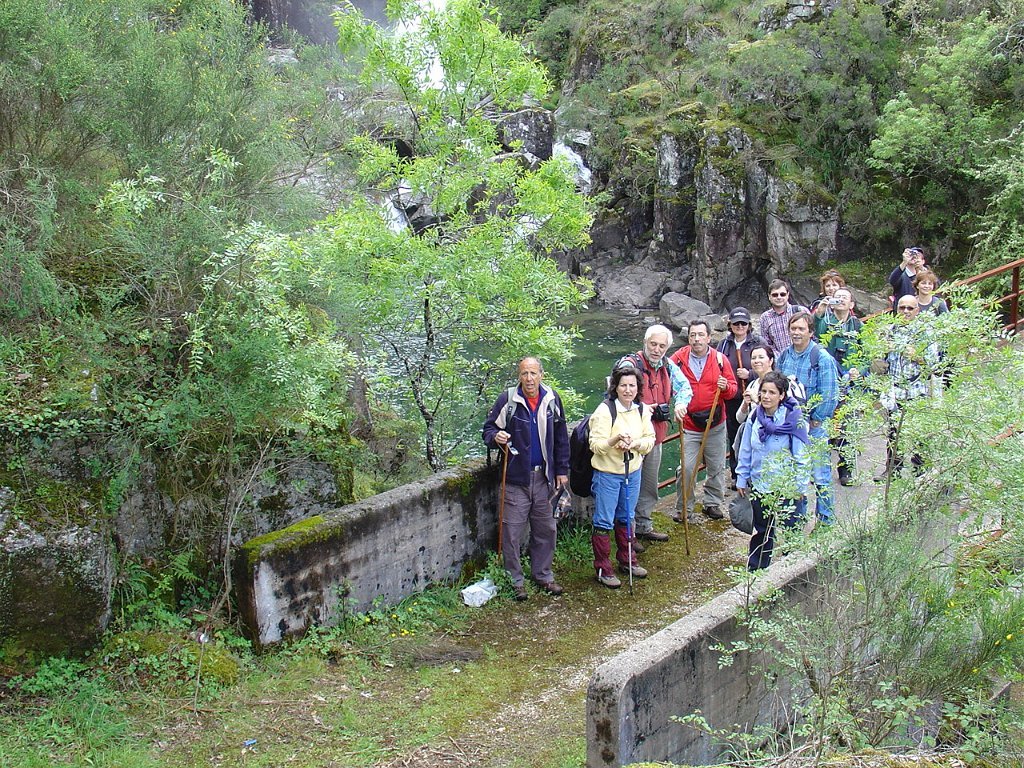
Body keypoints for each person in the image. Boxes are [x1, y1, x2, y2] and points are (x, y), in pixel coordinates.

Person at [482, 357, 570, 601]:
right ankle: (515, 580)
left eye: (533, 373)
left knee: (546, 528)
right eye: (524, 374)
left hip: (544, 477)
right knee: (511, 531)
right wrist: (496, 437)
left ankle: (543, 575)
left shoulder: (552, 399)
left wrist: (561, 471)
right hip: (515, 478)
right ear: (519, 376)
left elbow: (561, 438)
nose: (529, 379)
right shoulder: (508, 400)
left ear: (541, 374)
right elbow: (488, 429)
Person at [621, 325, 693, 547]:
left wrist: (680, 404)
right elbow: (616, 394)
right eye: (653, 344)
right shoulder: (630, 365)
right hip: (631, 439)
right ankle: (627, 534)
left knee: (649, 484)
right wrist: (641, 408)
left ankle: (643, 526)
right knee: (629, 486)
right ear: (645, 342)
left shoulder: (667, 366)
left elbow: (685, 387)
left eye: (662, 346)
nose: (657, 349)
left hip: (655, 436)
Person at [588, 364, 656, 589]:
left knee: (627, 516)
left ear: (638, 388)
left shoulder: (641, 410)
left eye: (632, 386)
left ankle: (627, 560)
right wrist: (614, 440)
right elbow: (595, 445)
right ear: (615, 387)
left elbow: (649, 440)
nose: (628, 390)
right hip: (608, 474)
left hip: (632, 472)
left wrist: (633, 443)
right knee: (603, 521)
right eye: (623, 385)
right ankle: (603, 568)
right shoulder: (604, 411)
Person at [736, 371, 810, 571]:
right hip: (760, 484)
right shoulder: (755, 416)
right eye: (763, 392)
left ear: (782, 395)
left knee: (791, 529)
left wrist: (800, 487)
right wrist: (742, 477)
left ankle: (792, 569)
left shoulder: (793, 420)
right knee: (762, 530)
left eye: (772, 392)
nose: (766, 397)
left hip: (786, 485)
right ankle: (757, 570)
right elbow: (746, 449)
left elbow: (802, 456)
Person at [670, 320, 739, 522]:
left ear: (709, 337)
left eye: (701, 335)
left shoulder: (720, 360)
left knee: (716, 465)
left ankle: (712, 503)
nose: (697, 339)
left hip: (715, 422)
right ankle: (684, 507)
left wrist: (725, 387)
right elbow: (665, 381)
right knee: (687, 468)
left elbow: (733, 390)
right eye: (693, 335)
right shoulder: (678, 360)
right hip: (690, 424)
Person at [777, 312, 840, 524]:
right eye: (793, 328)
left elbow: (830, 393)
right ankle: (797, 520)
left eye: (801, 329)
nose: (796, 333)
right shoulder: (785, 356)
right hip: (791, 425)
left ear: (811, 332)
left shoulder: (821, 358)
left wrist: (817, 418)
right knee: (796, 474)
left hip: (814, 426)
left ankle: (825, 520)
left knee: (821, 475)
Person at [877, 296, 940, 478]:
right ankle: (893, 470)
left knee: (919, 432)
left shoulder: (925, 332)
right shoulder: (890, 330)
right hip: (894, 389)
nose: (905, 311)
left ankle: (920, 470)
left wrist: (916, 355)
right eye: (902, 307)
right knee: (893, 432)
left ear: (917, 310)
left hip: (916, 389)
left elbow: (934, 365)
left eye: (910, 308)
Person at [814, 287, 864, 486]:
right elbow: (815, 333)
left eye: (845, 298)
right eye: (837, 297)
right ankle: (821, 469)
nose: (841, 300)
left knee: (847, 426)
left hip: (848, 382)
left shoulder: (858, 325)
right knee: (824, 424)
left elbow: (867, 353)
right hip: (827, 380)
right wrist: (820, 311)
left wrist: (859, 370)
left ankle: (846, 470)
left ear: (852, 304)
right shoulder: (825, 321)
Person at [716, 307, 761, 481]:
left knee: (755, 434)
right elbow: (717, 366)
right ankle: (737, 474)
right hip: (732, 398)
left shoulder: (757, 343)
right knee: (734, 436)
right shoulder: (724, 345)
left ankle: (754, 473)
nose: (740, 326)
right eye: (736, 323)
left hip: (754, 398)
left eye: (743, 323)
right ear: (730, 325)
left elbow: (768, 367)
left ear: (749, 325)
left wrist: (750, 374)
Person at [759, 279, 810, 355]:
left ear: (788, 295)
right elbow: (767, 344)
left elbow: (812, 335)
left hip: (804, 356)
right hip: (780, 360)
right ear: (769, 296)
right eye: (775, 295)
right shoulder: (765, 318)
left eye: (782, 294)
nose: (779, 297)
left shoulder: (801, 311)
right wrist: (780, 358)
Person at [736, 343, 777, 426]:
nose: (756, 361)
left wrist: (757, 401)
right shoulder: (752, 385)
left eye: (761, 357)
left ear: (771, 361)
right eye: (753, 358)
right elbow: (739, 419)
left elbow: (779, 415)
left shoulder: (780, 384)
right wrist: (745, 404)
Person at [889, 246, 927, 312]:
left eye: (917, 256)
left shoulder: (926, 275)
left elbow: (936, 287)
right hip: (903, 313)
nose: (914, 257)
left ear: (923, 261)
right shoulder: (901, 275)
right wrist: (904, 262)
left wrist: (922, 269)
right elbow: (892, 280)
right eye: (911, 255)